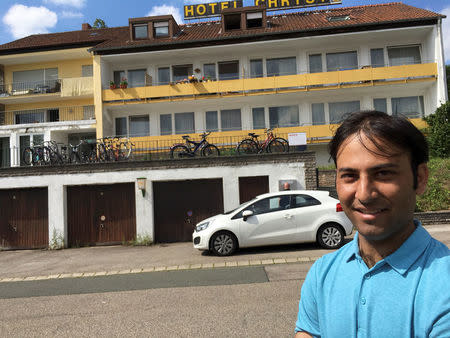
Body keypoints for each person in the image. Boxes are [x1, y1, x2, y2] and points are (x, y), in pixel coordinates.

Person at [295, 111, 449, 337]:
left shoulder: (443, 284)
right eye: (349, 176)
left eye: (384, 173)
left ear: (421, 178)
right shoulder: (323, 273)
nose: (365, 194)